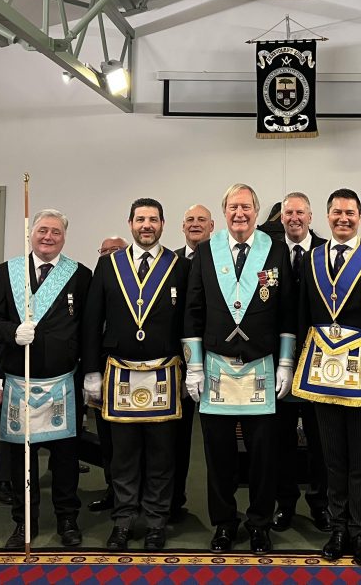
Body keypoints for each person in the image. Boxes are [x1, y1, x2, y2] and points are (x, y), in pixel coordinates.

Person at [182, 183, 297, 555]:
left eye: (246, 207)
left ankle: (259, 523)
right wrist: (194, 367)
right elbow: (193, 311)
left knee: (264, 456)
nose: (240, 213)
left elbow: (286, 311)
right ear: (224, 211)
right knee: (219, 456)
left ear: (256, 211)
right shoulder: (206, 251)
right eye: (233, 207)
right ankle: (224, 523)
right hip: (216, 367)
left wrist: (285, 363)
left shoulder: (274, 249)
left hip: (261, 366)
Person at [292, 188, 361, 567]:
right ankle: (338, 528)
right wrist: (296, 366)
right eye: (337, 212)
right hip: (322, 373)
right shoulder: (312, 259)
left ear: (359, 216)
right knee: (333, 458)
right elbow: (303, 316)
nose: (343, 218)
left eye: (350, 213)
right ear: (327, 216)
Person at [82, 199, 189, 551]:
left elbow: (189, 322)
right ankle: (124, 520)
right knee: (123, 455)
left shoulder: (179, 266)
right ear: (130, 223)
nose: (147, 225)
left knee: (162, 455)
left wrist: (192, 369)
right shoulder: (108, 265)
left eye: (153, 219)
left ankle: (156, 521)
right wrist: (92, 371)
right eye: (140, 219)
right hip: (119, 372)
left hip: (165, 373)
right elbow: (92, 321)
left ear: (163, 224)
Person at [0, 209, 92, 549]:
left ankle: (67, 519)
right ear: (31, 233)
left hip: (63, 382)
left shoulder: (80, 275)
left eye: (56, 232)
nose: (48, 237)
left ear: (64, 237)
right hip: (20, 381)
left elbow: (87, 329)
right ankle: (24, 522)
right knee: (22, 460)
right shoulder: (8, 272)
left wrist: (90, 375)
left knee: (65, 458)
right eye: (43, 230)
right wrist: (12, 332)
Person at [270, 192, 330, 533]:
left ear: (310, 217)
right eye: (288, 213)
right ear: (281, 218)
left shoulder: (325, 251)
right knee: (282, 440)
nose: (294, 218)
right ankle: (285, 503)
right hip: (277, 359)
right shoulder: (270, 252)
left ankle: (320, 504)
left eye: (300, 212)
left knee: (321, 439)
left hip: (321, 360)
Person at [167, 205, 213, 522]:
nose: (195, 224)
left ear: (212, 226)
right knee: (176, 439)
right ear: (182, 226)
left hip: (216, 360)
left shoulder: (221, 259)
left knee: (216, 439)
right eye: (190, 220)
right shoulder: (169, 262)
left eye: (201, 220)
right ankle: (172, 501)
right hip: (178, 362)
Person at [86, 236, 128, 514]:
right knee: (107, 439)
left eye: (116, 250)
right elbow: (89, 327)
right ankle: (113, 491)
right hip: (102, 372)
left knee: (131, 442)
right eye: (105, 250)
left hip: (131, 371)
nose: (110, 254)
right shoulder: (94, 281)